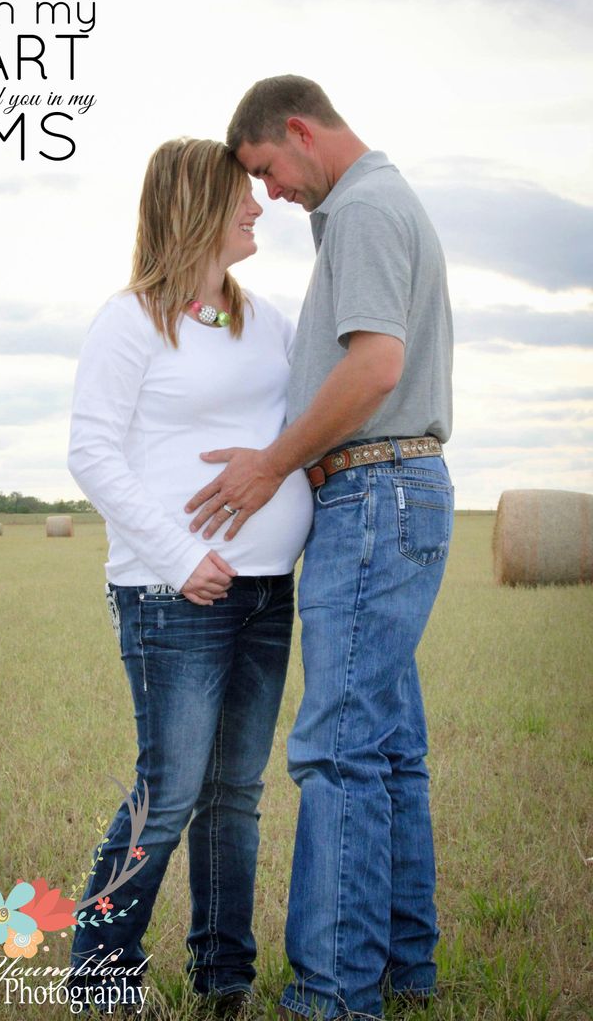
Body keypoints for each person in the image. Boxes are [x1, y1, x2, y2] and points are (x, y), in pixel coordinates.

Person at [186, 77, 454, 1020]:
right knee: (387, 749)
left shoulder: (366, 210)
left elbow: (375, 367)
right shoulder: (370, 205)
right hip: (394, 492)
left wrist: (271, 466)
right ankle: (403, 970)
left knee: (337, 752)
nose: (271, 193)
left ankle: (333, 995)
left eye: (268, 169)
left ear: (300, 131)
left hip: (374, 492)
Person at [67, 137, 313, 1015]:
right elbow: (91, 453)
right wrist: (180, 559)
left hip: (266, 590)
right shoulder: (131, 319)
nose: (256, 206)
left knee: (235, 796)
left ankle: (224, 977)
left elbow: (301, 425)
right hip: (171, 595)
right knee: (168, 794)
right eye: (239, 194)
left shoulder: (267, 320)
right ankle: (99, 977)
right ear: (195, 207)